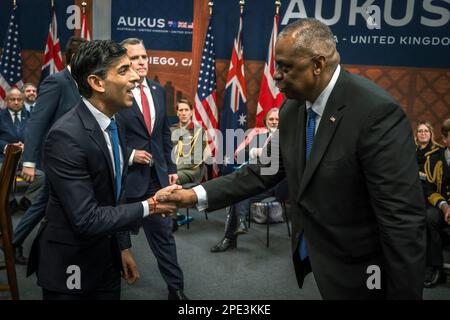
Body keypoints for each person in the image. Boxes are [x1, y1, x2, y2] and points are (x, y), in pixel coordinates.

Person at [160, 18, 426, 299]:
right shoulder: (292, 109)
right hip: (322, 261)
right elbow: (259, 172)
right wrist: (192, 196)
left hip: (365, 271)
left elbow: (402, 221)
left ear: (318, 65)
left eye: (286, 67)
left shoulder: (376, 113)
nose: (275, 75)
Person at [27, 40, 178, 300]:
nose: (135, 77)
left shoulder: (113, 123)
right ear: (97, 83)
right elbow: (86, 218)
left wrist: (122, 248)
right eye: (123, 71)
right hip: (71, 269)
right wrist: (150, 206)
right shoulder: (66, 136)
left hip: (106, 262)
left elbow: (114, 196)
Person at [118, 38, 187, 300]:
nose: (141, 62)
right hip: (126, 180)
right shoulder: (117, 91)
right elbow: (107, 137)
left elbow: (163, 134)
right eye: (134, 58)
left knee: (164, 237)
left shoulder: (158, 90)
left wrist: (169, 166)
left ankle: (176, 289)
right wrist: (131, 155)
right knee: (116, 237)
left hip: (156, 179)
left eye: (144, 57)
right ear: (124, 62)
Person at [12, 36, 87, 261]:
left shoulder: (84, 83)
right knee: (60, 206)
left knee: (44, 203)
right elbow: (37, 122)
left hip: (76, 158)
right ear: (75, 57)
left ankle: (14, 241)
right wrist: (29, 161)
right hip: (57, 159)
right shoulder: (57, 82)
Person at [210, 108, 281, 252]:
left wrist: (261, 153)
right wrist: (255, 151)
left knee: (240, 192)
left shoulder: (285, 137)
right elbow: (241, 153)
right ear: (266, 122)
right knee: (240, 192)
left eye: (277, 119)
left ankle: (231, 236)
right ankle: (238, 226)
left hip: (275, 184)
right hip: (256, 182)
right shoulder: (259, 136)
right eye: (271, 119)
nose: (274, 122)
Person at [0, 88, 44, 264]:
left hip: (24, 160)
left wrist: (26, 146)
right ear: (7, 100)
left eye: (19, 99)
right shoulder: (1, 116)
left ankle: (26, 200)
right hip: (4, 158)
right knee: (4, 173)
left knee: (42, 177)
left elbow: (35, 136)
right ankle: (9, 201)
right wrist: (8, 146)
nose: (17, 102)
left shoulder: (30, 116)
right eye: (13, 99)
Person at [422, 118, 450, 288]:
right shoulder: (433, 159)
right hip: (443, 206)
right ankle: (436, 269)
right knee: (429, 217)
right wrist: (445, 207)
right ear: (445, 139)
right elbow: (430, 190)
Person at [170, 98, 207, 185]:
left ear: (191, 112)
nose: (183, 113)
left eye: (186, 110)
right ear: (177, 113)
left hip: (191, 170)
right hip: (172, 168)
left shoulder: (199, 131)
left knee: (170, 179)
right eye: (181, 110)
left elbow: (197, 158)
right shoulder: (171, 129)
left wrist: (175, 167)